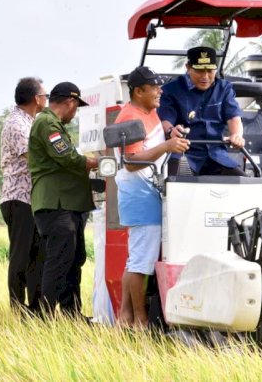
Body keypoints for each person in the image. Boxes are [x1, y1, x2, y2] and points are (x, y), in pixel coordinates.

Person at [114, 67, 189, 327]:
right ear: (138, 91)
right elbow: (131, 162)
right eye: (154, 87)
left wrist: (170, 134)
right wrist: (166, 146)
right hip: (140, 194)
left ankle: (125, 317)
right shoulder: (129, 118)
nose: (160, 91)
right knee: (141, 262)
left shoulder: (149, 112)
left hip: (148, 193)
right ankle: (141, 321)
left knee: (137, 259)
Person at [28, 81, 98, 318]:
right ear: (70, 102)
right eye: (76, 107)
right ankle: (45, 315)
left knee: (73, 259)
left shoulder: (54, 124)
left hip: (68, 204)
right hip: (56, 204)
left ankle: (71, 313)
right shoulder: (47, 122)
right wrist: (92, 162)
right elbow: (66, 156)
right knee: (60, 260)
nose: (75, 112)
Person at [157, 46, 246, 176]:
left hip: (217, 156)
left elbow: (233, 117)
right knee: (173, 187)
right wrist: (171, 131)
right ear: (188, 67)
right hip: (183, 154)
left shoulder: (224, 88)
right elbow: (165, 120)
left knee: (244, 185)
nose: (205, 76)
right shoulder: (171, 90)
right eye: (199, 71)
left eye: (210, 70)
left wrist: (237, 135)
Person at [0, 77, 48, 313]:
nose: (46, 99)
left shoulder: (32, 121)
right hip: (18, 199)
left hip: (32, 199)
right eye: (45, 95)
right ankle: (18, 309)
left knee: (37, 255)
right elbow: (35, 159)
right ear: (36, 98)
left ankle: (36, 309)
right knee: (20, 257)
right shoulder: (17, 124)